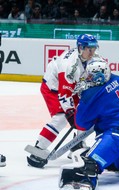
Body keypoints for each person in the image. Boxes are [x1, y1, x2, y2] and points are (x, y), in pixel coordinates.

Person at [58, 59, 119, 190]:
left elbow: (81, 124)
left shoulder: (91, 94)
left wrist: (79, 107)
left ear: (98, 75)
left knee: (90, 163)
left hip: (117, 134)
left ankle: (84, 178)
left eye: (89, 75)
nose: (87, 78)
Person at [26, 34, 102, 169]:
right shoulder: (69, 66)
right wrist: (70, 113)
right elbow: (64, 94)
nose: (92, 52)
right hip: (54, 88)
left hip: (74, 87)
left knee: (85, 111)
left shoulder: (93, 57)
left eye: (94, 48)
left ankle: (77, 144)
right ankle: (39, 148)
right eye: (89, 49)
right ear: (80, 48)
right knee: (61, 118)